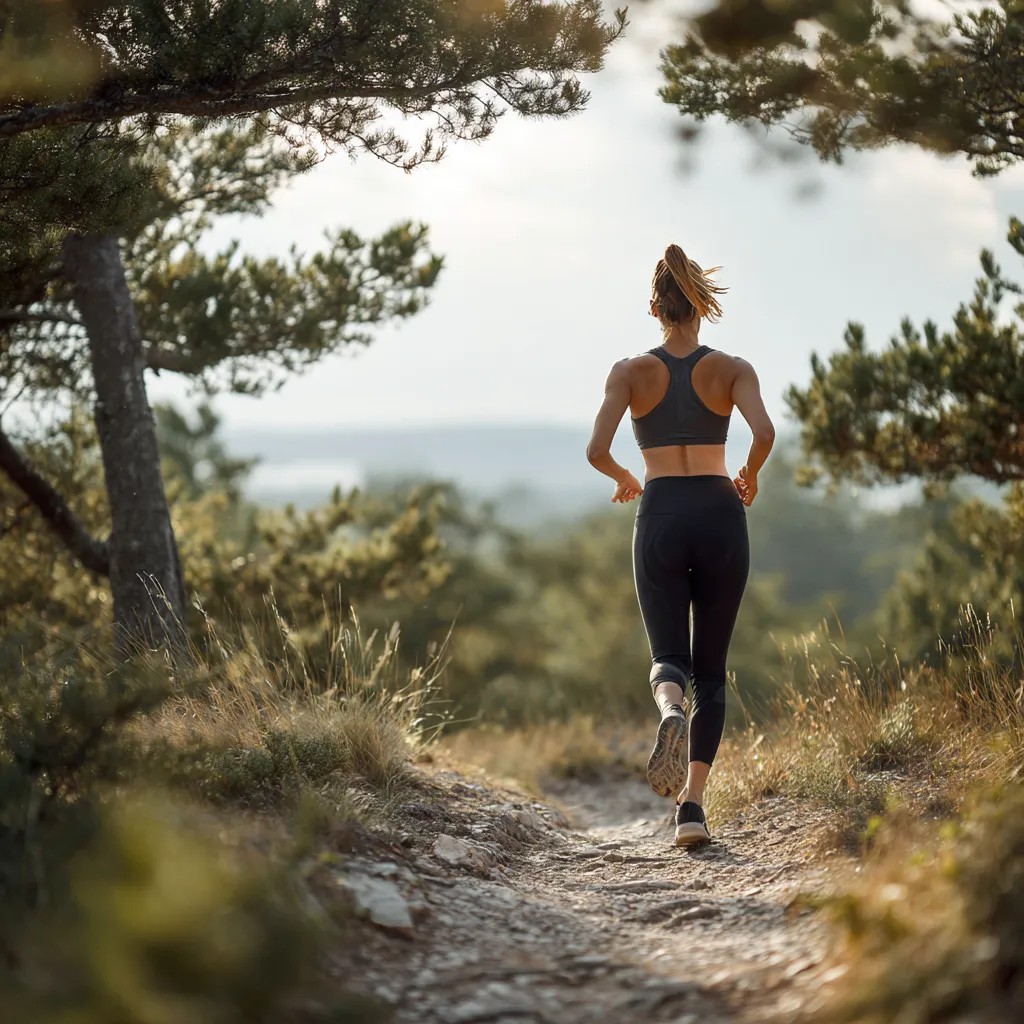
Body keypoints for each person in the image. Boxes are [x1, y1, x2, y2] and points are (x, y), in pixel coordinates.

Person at [585, 244, 775, 846]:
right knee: (713, 673)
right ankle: (691, 808)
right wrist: (751, 472)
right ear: (702, 305)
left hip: (662, 510)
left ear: (655, 307)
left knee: (669, 657)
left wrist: (624, 479)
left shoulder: (629, 372)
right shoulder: (733, 368)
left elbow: (596, 450)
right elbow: (765, 431)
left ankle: (670, 711)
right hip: (721, 511)